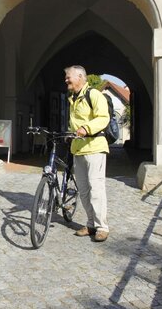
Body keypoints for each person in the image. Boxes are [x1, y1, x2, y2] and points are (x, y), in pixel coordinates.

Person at [65, 65, 110, 242]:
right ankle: (91, 224)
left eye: (69, 77)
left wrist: (87, 128)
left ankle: (102, 227)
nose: (66, 80)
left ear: (80, 77)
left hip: (95, 147)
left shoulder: (94, 95)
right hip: (78, 149)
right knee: (83, 190)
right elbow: (75, 123)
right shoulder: (72, 98)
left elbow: (103, 118)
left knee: (96, 189)